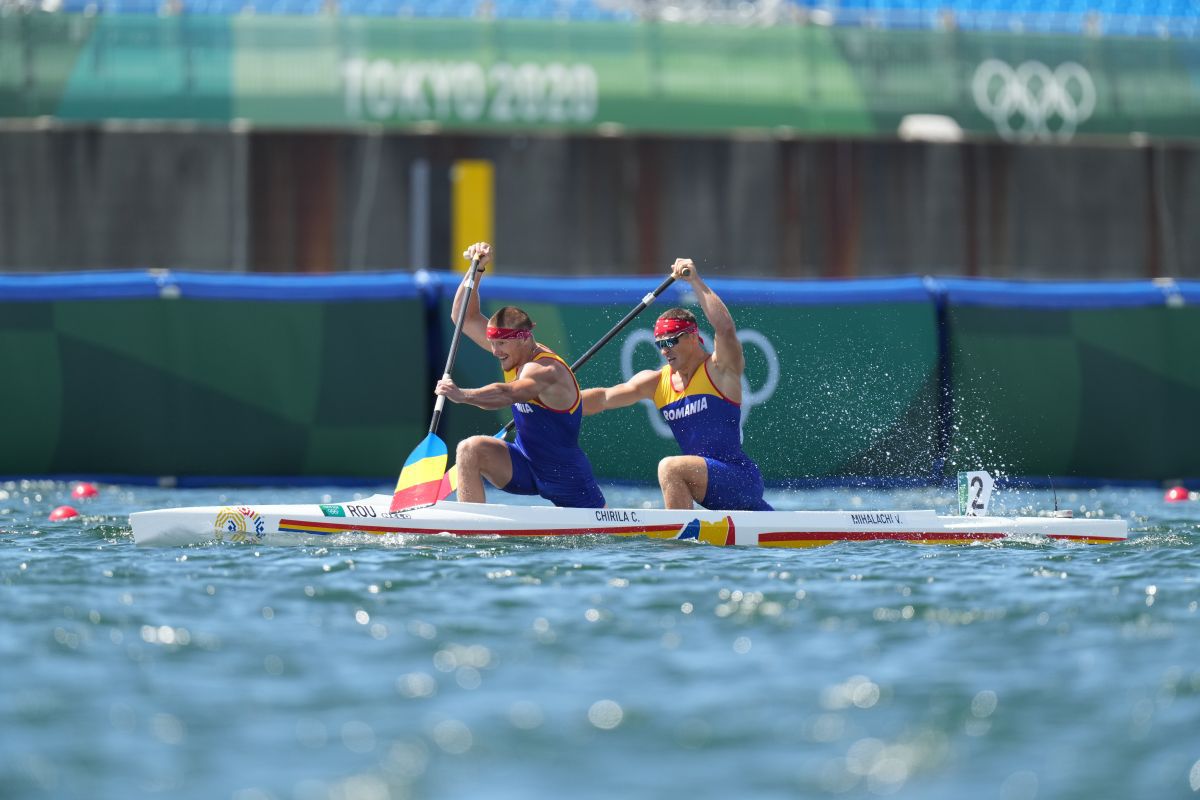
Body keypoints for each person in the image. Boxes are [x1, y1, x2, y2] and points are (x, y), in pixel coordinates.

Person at [581, 258, 773, 511]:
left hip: (739, 478)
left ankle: (677, 543)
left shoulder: (718, 370)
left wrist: (694, 280)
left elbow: (725, 329)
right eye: (660, 344)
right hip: (710, 488)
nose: (664, 350)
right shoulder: (656, 382)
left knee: (670, 467)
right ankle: (683, 541)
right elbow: (604, 398)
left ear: (693, 337)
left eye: (671, 341)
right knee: (674, 468)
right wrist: (550, 401)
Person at [434, 241, 606, 509]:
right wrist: (476, 270)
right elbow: (463, 317)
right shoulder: (511, 352)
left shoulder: (545, 369)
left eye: (501, 344)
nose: (494, 351)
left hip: (566, 475)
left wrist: (462, 395)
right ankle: (471, 524)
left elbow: (508, 393)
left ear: (524, 338)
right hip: (524, 463)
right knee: (470, 449)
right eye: (492, 343)